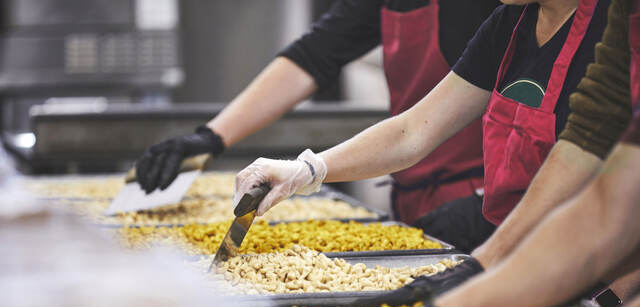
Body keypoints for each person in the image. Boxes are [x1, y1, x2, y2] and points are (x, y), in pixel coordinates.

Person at [293, 0, 640, 307]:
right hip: (534, 264)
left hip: (596, 280)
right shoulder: (517, 22)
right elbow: (414, 130)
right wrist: (307, 170)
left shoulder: (606, 22)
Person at [235, 0, 610, 252]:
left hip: (591, 264)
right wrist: (307, 170)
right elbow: (412, 131)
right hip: (518, 253)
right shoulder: (509, 24)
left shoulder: (616, 31)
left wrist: (614, 295)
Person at [135, 1, 501, 240]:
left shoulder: (497, 12)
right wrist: (211, 137)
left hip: (487, 202)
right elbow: (313, 56)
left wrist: (490, 203)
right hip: (415, 194)